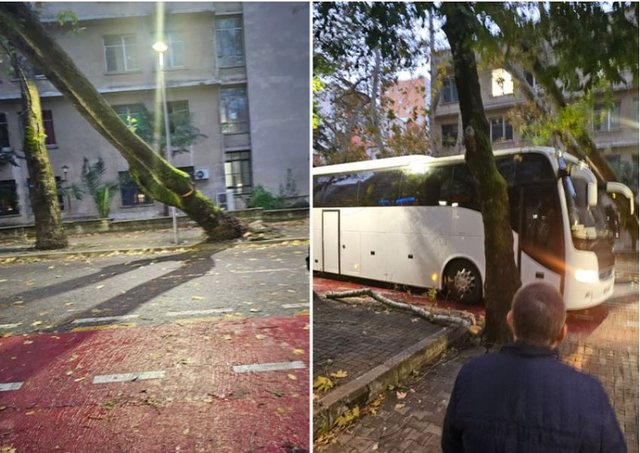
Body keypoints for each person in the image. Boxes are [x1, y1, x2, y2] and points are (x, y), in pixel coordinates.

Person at [441, 282, 626, 452]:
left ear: (510, 320)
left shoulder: (471, 376)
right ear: (562, 333)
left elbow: (451, 444)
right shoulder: (590, 394)